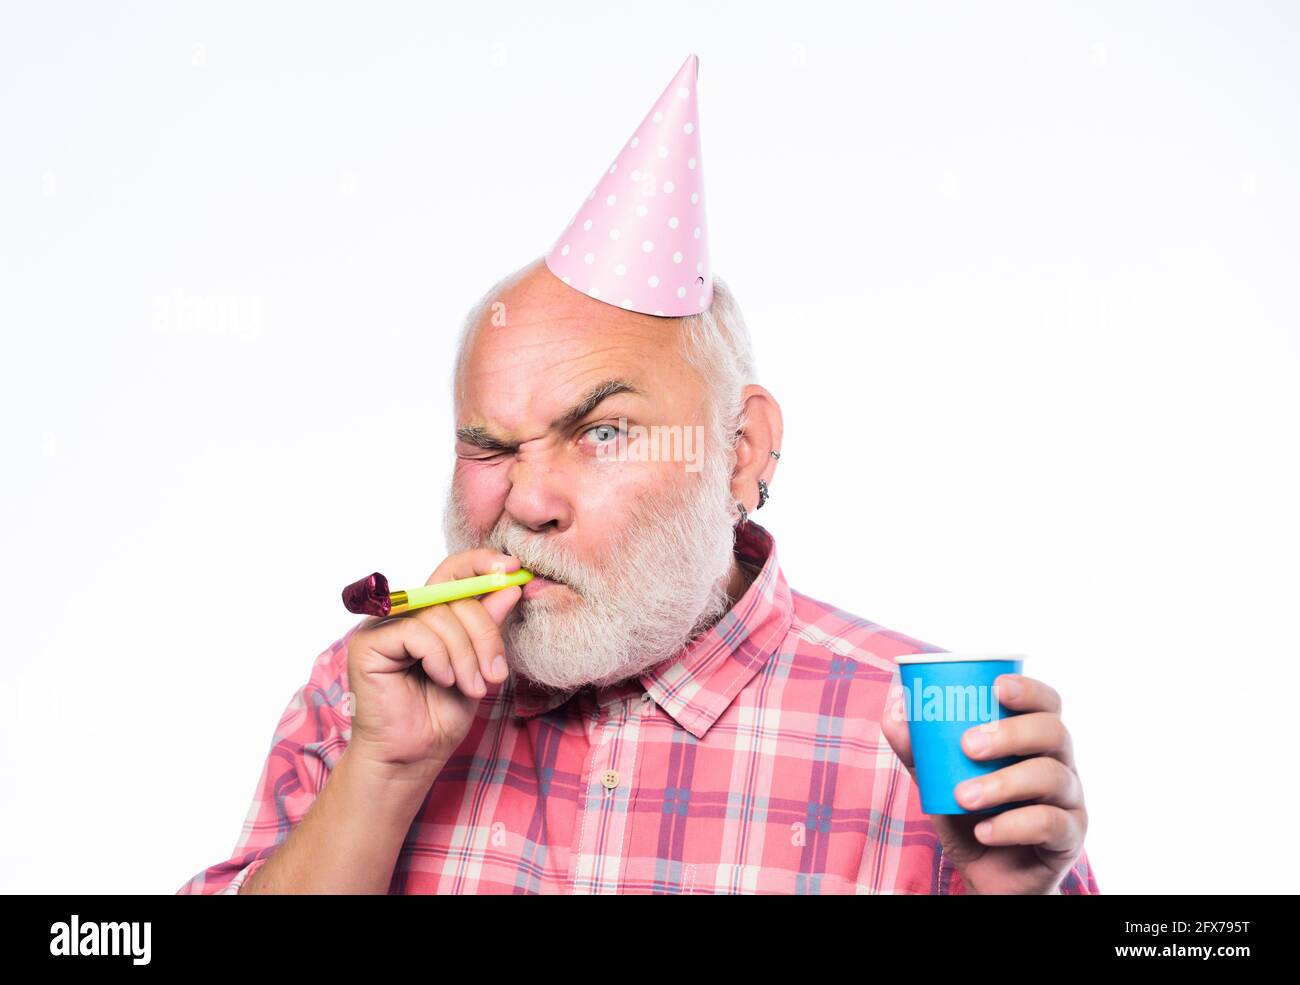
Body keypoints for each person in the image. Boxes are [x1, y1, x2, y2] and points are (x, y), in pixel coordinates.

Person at [177, 55, 1096, 895]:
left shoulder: (934, 747)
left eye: (603, 432)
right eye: (492, 447)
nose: (526, 505)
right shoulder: (361, 702)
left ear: (741, 450)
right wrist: (381, 776)